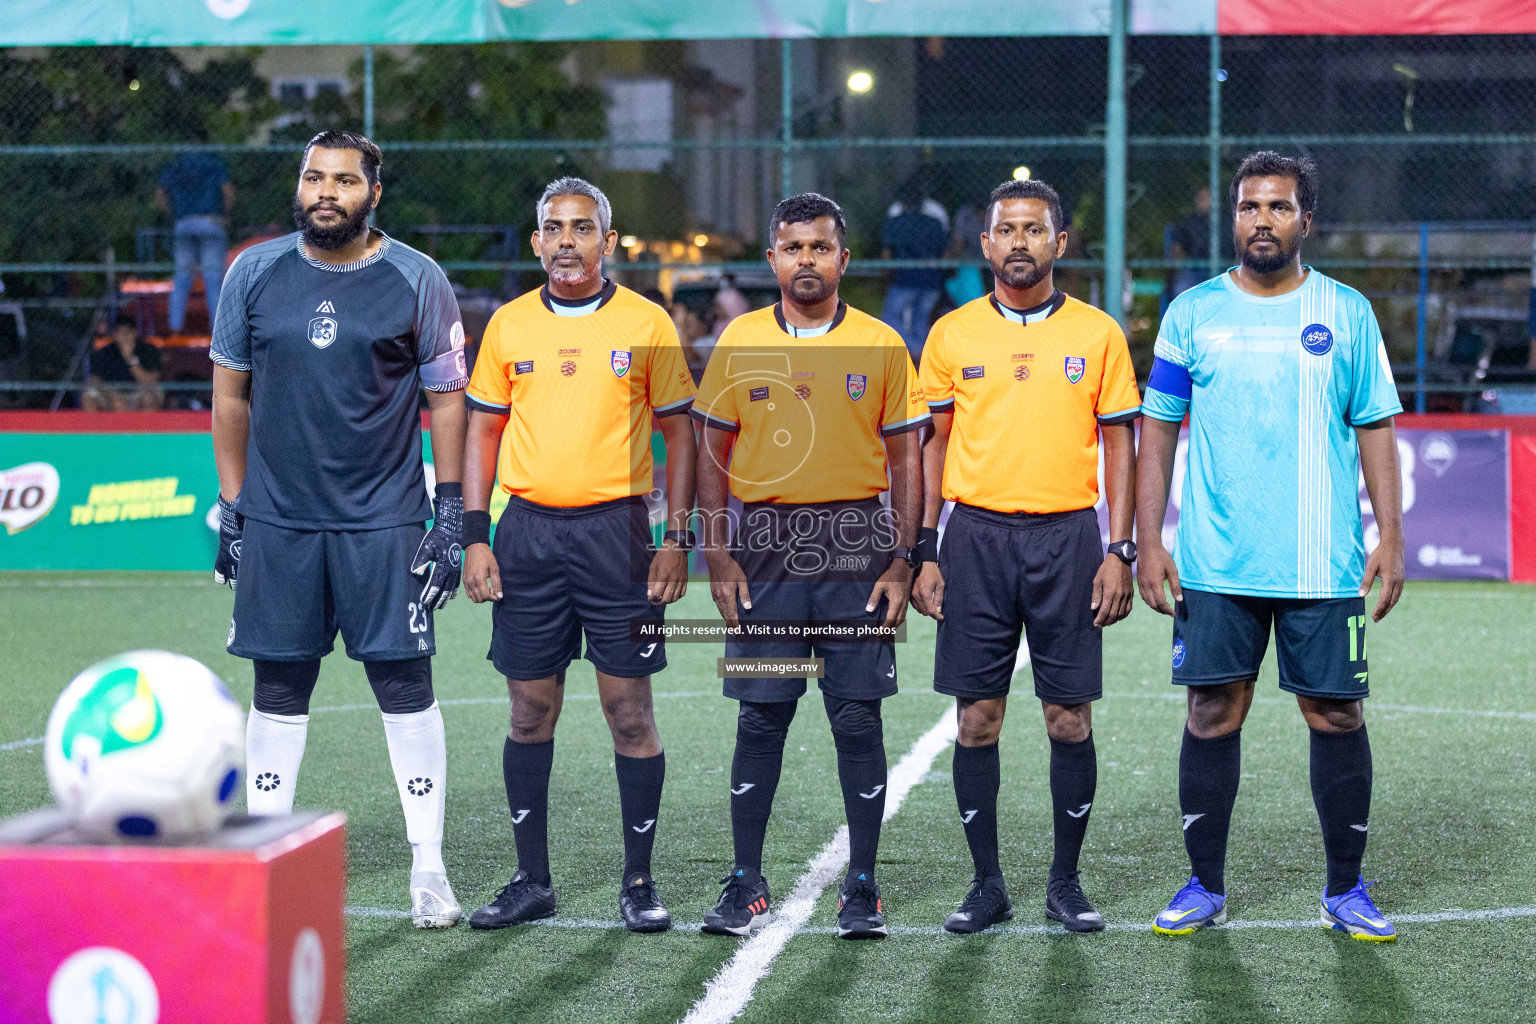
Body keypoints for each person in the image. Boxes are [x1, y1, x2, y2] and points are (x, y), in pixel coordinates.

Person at [1137, 151, 1405, 941]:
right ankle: (1204, 885)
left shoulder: (1347, 312)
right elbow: (1157, 432)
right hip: (1218, 560)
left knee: (1337, 715)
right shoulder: (1192, 314)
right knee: (1212, 712)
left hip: (1322, 559)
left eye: (1279, 207)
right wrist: (1147, 540)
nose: (1263, 220)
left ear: (1305, 220)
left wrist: (1390, 535)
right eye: (1250, 207)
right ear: (1235, 217)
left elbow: (1376, 429)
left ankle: (1345, 891)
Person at [209, 130, 469, 930]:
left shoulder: (417, 278)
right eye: (314, 177)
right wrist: (235, 508)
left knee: (403, 686)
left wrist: (450, 512)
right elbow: (228, 398)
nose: (327, 192)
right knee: (279, 687)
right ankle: (261, 857)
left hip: (384, 522)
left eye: (345, 181)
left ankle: (428, 868)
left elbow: (449, 402)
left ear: (373, 193)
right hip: (280, 521)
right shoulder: (251, 271)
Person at [460, 177, 698, 934]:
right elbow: (482, 435)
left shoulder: (647, 322)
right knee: (530, 708)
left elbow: (682, 435)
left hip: (620, 535)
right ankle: (532, 880)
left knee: (629, 712)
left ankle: (639, 880)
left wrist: (676, 538)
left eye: (583, 228)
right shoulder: (507, 325)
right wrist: (474, 534)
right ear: (536, 243)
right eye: (554, 229)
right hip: (527, 535)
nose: (568, 241)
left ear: (609, 240)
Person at [694, 193, 929, 940]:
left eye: (819, 248)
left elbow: (907, 458)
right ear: (772, 260)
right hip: (763, 544)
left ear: (842, 259)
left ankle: (862, 886)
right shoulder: (739, 339)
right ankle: (746, 883)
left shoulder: (882, 343)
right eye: (792, 248)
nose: (806, 260)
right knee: (761, 717)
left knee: (856, 716)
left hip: (857, 540)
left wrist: (903, 556)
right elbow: (713, 449)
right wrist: (718, 551)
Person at [912, 179, 1141, 935]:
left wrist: (1121, 550)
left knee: (1066, 718)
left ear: (1060, 243)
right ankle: (987, 885)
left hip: (1069, 538)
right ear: (984, 245)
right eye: (1005, 229)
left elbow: (1120, 443)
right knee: (977, 718)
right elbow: (932, 444)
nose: (1018, 242)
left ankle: (1065, 883)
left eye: (1033, 229)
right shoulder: (951, 335)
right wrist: (926, 547)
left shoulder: (1098, 335)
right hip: (974, 538)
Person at [156, 150, 235, 333]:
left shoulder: (176, 163)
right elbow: (228, 191)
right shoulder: (213, 161)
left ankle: (175, 328)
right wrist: (225, 214)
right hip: (211, 221)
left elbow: (159, 195)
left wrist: (174, 213)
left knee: (182, 278)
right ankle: (218, 329)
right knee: (213, 279)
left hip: (184, 222)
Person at [880, 180, 950, 362]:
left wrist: (886, 277)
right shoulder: (934, 223)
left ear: (901, 203)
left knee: (890, 319)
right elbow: (946, 253)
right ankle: (925, 361)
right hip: (932, 280)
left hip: (904, 280)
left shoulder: (895, 222)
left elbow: (887, 254)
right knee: (921, 321)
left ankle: (918, 350)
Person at [84, 322, 164, 411]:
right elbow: (95, 379)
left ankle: (146, 425)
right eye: (120, 334)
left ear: (134, 333)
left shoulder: (148, 350)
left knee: (149, 398)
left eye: (127, 333)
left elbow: (149, 381)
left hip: (139, 392)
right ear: (115, 335)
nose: (124, 337)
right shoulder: (104, 352)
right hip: (111, 393)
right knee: (89, 398)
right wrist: (113, 395)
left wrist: (130, 358)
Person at [1163, 186, 1214, 306]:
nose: (1204, 201)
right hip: (1194, 271)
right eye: (1201, 198)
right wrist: (1170, 276)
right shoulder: (1188, 222)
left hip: (1225, 270)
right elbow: (1177, 251)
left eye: (1208, 198)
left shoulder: (1229, 222)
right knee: (1182, 287)